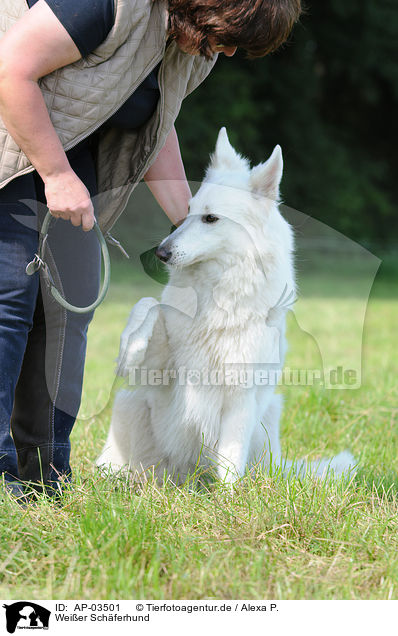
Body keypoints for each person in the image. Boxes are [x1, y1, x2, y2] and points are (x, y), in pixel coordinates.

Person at [0, 0, 302, 498]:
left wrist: (194, 224)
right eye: (228, 38)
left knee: (68, 309)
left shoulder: (191, 47)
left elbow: (156, 125)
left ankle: (43, 474)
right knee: (10, 300)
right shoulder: (111, 5)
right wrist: (55, 175)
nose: (226, 52)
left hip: (70, 155)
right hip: (12, 127)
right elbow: (11, 67)